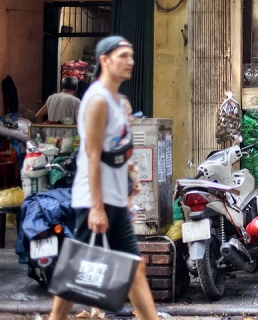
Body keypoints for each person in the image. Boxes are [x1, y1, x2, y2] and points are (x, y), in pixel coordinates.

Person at [49, 36, 158, 320]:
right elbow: (93, 155)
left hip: (114, 197)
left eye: (131, 55)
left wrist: (131, 175)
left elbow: (119, 148)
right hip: (93, 198)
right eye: (123, 55)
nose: (130, 61)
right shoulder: (97, 100)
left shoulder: (118, 102)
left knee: (135, 267)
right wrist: (97, 207)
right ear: (105, 60)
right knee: (77, 269)